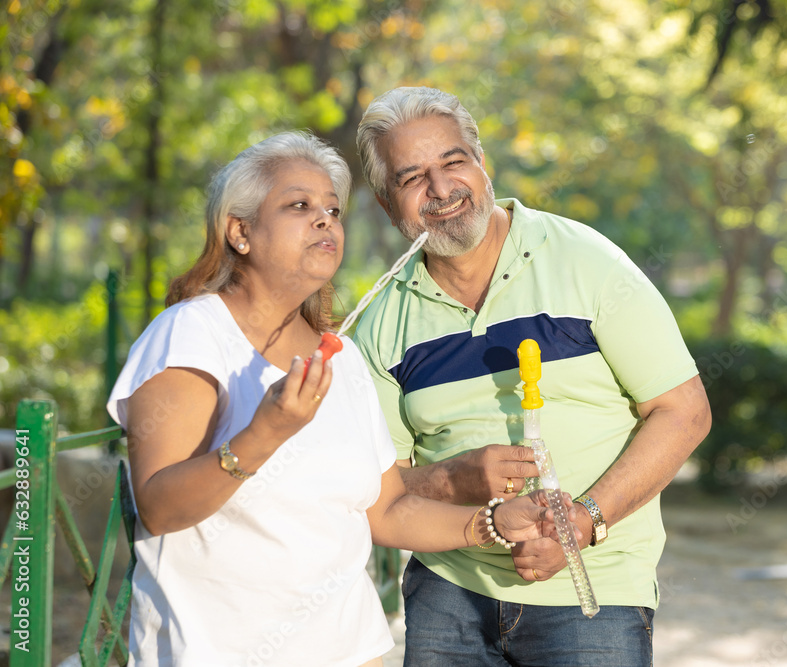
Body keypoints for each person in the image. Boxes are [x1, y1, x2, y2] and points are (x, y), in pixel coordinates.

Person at [106, 130, 569, 667]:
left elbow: (388, 510)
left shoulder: (342, 356)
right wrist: (266, 432)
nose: (326, 219)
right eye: (299, 205)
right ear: (240, 232)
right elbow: (159, 509)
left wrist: (492, 522)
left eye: (332, 208)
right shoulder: (191, 333)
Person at [353, 87, 713, 666]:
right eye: (412, 177)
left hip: (593, 594)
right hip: (449, 597)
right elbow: (379, 491)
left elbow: (684, 412)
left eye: (453, 162)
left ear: (482, 162)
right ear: (384, 200)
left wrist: (585, 520)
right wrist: (457, 478)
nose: (442, 189)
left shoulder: (587, 262)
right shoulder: (378, 324)